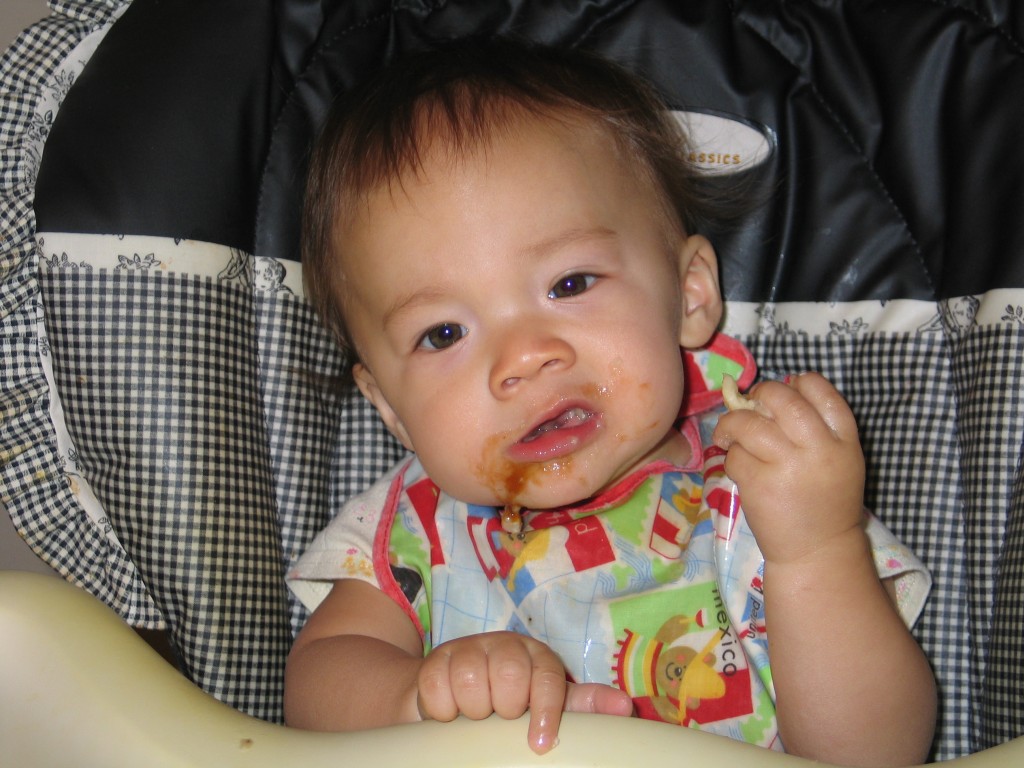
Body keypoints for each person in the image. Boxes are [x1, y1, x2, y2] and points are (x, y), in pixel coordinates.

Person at [284, 38, 936, 765]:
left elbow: (876, 754)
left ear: (689, 294)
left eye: (569, 284)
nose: (523, 357)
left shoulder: (765, 486)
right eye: (444, 333)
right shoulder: (414, 530)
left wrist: (816, 551)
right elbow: (315, 691)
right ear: (389, 407)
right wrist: (414, 695)